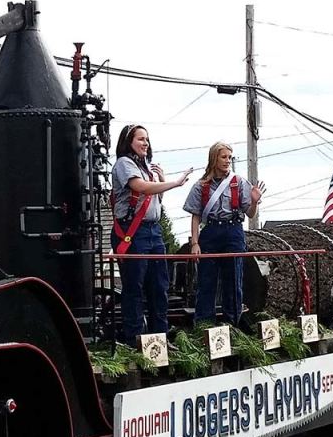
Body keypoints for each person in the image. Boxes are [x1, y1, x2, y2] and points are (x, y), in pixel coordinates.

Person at [111, 124, 192, 344]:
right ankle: (135, 339)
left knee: (159, 286)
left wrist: (161, 181)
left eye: (147, 139)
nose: (145, 143)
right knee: (134, 286)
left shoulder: (147, 167)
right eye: (140, 139)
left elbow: (154, 201)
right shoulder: (124, 164)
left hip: (153, 231)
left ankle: (160, 338)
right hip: (132, 231)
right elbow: (140, 188)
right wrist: (172, 183)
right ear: (129, 142)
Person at [182, 142, 264, 326]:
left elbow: (250, 213)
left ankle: (232, 324)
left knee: (234, 280)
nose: (227, 161)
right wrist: (195, 243)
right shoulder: (200, 186)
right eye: (224, 157)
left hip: (233, 231)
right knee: (206, 281)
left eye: (230, 157)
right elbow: (195, 216)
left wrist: (254, 202)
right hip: (210, 232)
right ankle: (204, 326)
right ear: (214, 158)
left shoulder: (239, 182)